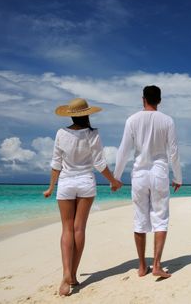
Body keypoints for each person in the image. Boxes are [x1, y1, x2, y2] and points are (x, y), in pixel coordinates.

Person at [42, 98, 122, 296]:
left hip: (66, 184)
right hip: (86, 183)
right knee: (79, 229)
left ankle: (67, 275)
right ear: (87, 114)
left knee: (66, 229)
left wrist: (51, 187)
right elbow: (99, 163)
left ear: (70, 114)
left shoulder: (61, 133)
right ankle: (73, 275)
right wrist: (113, 181)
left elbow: (56, 163)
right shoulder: (93, 134)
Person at [114, 85, 182, 278]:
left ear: (143, 98)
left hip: (140, 175)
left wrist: (116, 177)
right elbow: (174, 151)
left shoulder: (132, 120)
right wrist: (178, 177)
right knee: (160, 218)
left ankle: (142, 266)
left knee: (140, 219)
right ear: (159, 100)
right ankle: (158, 265)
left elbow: (124, 150)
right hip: (160, 173)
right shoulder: (167, 121)